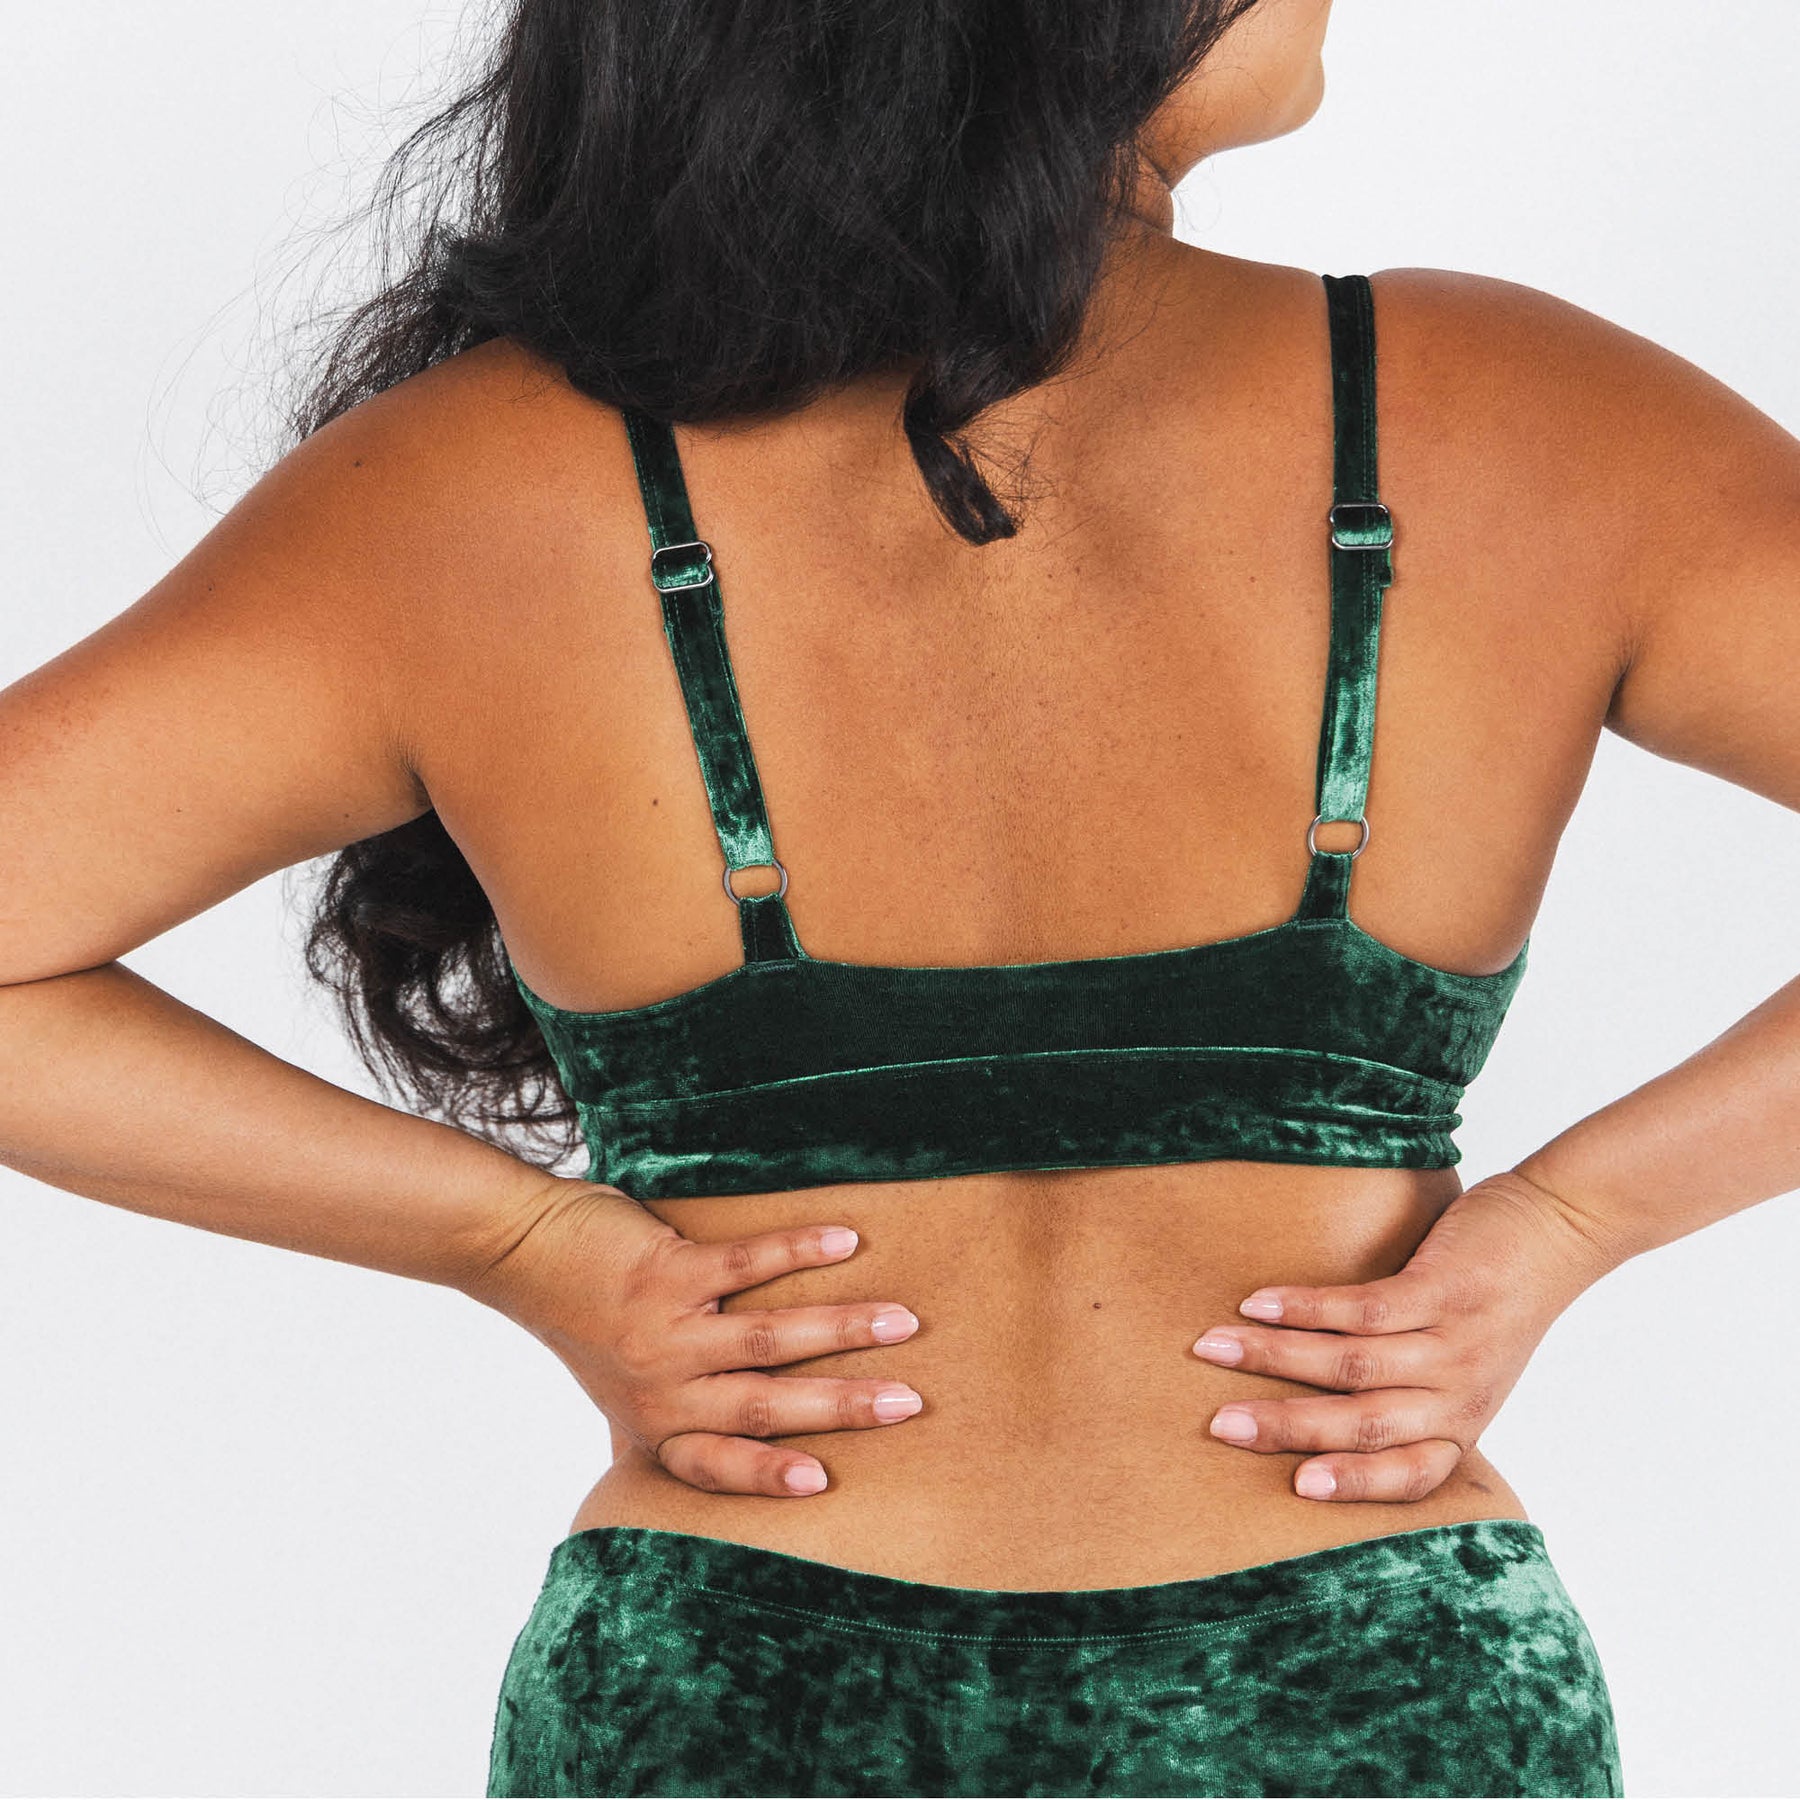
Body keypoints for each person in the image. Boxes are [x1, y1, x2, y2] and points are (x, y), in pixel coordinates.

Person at [3, 0, 1797, 1794]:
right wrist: (1571, 1221)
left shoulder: (463, 489)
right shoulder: (1524, 417)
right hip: (1375, 1699)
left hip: (720, 1700)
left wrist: (526, 1245)